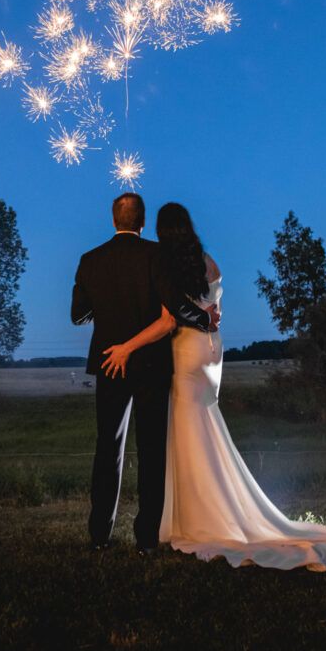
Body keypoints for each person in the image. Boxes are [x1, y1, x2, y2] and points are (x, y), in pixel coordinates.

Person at [102, 202, 326, 572]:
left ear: (160, 230)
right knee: (203, 422)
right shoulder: (206, 262)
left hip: (186, 349)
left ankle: (194, 517)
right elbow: (216, 309)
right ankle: (191, 513)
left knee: (186, 429)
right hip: (211, 350)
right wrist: (209, 318)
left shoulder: (167, 264)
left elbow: (171, 316)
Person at [71, 193, 218, 554]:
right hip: (151, 364)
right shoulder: (156, 256)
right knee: (151, 451)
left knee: (108, 448)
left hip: (110, 362)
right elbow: (176, 306)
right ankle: (146, 540)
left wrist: (106, 310)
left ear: (113, 220)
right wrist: (205, 319)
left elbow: (78, 315)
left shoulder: (90, 260)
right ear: (142, 222)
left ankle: (100, 535)